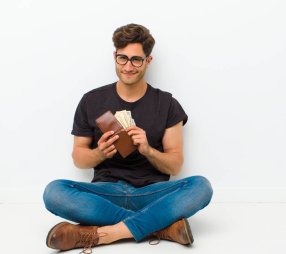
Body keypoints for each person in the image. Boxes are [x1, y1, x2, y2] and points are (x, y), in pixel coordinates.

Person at [43, 23, 213, 253]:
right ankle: (159, 228)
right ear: (114, 56)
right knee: (53, 191)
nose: (128, 66)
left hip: (152, 193)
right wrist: (99, 153)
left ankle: (102, 235)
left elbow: (175, 164)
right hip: (106, 194)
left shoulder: (167, 103)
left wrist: (148, 150)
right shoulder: (92, 101)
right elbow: (79, 159)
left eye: (136, 60)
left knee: (201, 186)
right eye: (122, 58)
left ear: (148, 61)